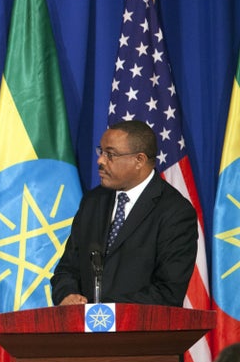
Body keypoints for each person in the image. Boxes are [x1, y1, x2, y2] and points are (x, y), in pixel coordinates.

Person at [51, 120, 197, 307]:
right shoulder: (93, 201)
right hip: (86, 332)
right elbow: (67, 269)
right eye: (101, 151)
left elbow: (168, 292)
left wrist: (104, 310)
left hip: (139, 332)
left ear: (139, 160)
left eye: (110, 154)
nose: (100, 160)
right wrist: (67, 294)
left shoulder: (175, 212)